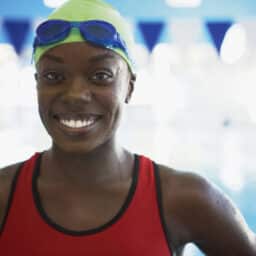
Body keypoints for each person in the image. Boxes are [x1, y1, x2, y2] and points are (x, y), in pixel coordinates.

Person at [0, 0, 255, 255]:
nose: (75, 94)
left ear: (129, 87)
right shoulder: (4, 195)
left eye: (101, 76)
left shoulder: (184, 199)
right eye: (53, 76)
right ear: (37, 85)